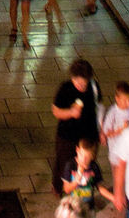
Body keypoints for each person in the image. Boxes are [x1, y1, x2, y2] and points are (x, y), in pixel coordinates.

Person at [52, 59, 103, 196]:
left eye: (83, 83)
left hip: (88, 136)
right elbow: (56, 111)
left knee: (87, 163)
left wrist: (101, 130)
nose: (80, 85)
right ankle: (61, 188)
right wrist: (70, 112)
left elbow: (99, 108)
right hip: (67, 137)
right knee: (64, 164)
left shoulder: (94, 87)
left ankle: (84, 188)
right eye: (76, 82)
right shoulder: (65, 89)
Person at [60, 139, 115, 215]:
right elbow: (67, 189)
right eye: (81, 155)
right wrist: (78, 176)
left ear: (92, 156)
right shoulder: (70, 165)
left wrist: (113, 198)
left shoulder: (94, 167)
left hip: (89, 206)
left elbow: (100, 187)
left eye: (87, 157)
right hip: (75, 207)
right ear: (77, 150)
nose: (83, 160)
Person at [101, 82, 129, 171]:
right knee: (117, 175)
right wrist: (121, 130)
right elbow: (107, 133)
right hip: (116, 153)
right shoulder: (113, 112)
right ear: (117, 99)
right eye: (125, 100)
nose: (128, 103)